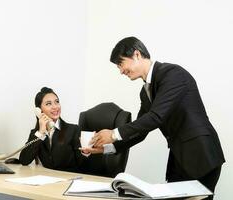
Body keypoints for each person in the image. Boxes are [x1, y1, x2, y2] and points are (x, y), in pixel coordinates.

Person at [83, 37, 225, 199]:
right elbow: (140, 131)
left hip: (202, 155)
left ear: (137, 55)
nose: (121, 71)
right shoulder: (145, 92)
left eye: (121, 64)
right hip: (179, 159)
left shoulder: (173, 74)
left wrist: (114, 134)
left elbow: (156, 116)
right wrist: (108, 148)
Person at [19, 87, 87, 173]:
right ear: (39, 110)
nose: (55, 107)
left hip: (68, 181)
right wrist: (41, 132)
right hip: (46, 181)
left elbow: (83, 164)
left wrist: (86, 152)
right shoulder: (36, 134)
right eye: (48, 104)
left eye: (57, 102)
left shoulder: (73, 130)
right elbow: (24, 160)